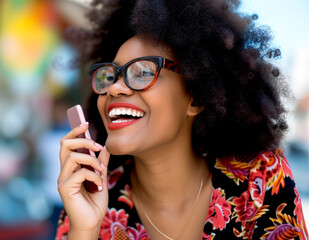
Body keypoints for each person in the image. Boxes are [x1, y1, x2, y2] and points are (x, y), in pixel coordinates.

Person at [56, 0, 309, 239]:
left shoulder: (261, 180)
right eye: (109, 76)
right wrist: (84, 230)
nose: (113, 88)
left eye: (143, 72)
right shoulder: (87, 197)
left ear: (196, 97)